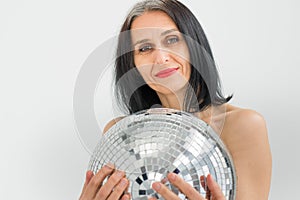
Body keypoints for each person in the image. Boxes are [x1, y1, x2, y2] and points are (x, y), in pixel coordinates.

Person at [79, 0, 272, 199]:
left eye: (171, 40)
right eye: (145, 48)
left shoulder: (243, 125)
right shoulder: (120, 132)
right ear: (133, 66)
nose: (161, 58)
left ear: (194, 45)